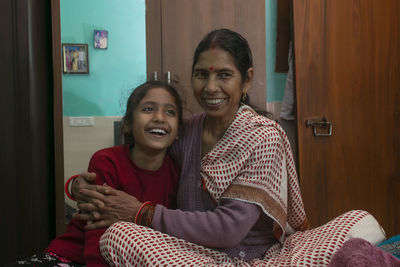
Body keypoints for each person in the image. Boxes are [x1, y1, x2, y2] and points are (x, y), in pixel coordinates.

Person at [71, 29, 385, 266]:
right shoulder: (189, 129)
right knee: (119, 236)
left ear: (246, 80)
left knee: (362, 221)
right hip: (193, 253)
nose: (210, 88)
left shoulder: (264, 137)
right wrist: (83, 185)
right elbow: (140, 161)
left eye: (224, 75)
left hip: (259, 256)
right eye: (200, 76)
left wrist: (142, 212)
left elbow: (229, 229)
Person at [11, 80, 183, 266]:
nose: (159, 117)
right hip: (76, 255)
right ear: (127, 124)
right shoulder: (107, 161)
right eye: (148, 109)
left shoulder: (178, 172)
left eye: (170, 111)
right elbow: (96, 232)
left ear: (179, 131)